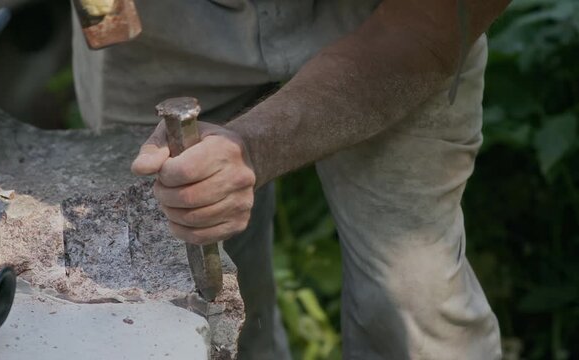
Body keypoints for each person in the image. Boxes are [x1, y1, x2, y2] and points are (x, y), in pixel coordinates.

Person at [72, 1, 510, 358]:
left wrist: (254, 147)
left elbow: (426, 29)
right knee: (176, 304)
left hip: (388, 22)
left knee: (415, 301)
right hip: (162, 22)